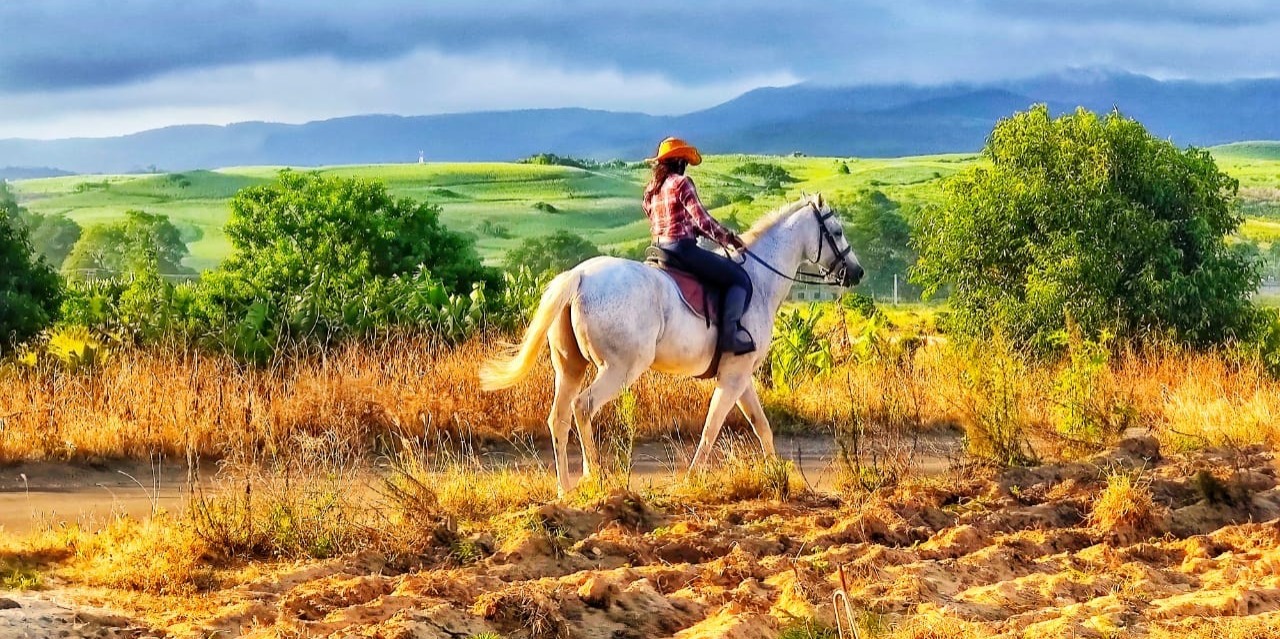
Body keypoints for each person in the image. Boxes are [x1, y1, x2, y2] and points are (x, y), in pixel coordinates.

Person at [642, 137, 756, 355]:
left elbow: (666, 221)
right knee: (739, 279)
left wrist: (692, 230)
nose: (685, 166)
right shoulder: (681, 183)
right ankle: (728, 338)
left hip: (658, 250)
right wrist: (729, 239)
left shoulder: (651, 190)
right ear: (678, 162)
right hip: (681, 250)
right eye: (684, 162)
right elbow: (703, 221)